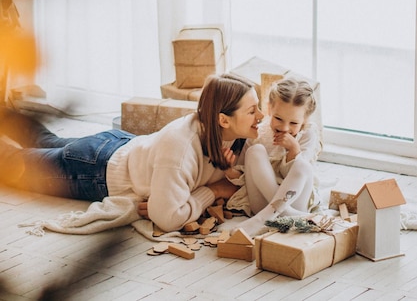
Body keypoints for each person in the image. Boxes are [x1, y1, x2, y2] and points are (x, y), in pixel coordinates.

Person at [0, 73, 264, 233]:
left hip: (119, 144)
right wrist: (213, 191)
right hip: (95, 170)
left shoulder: (238, 137)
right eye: (252, 111)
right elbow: (168, 218)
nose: (261, 116)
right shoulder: (181, 147)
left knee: (47, 140)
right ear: (223, 120)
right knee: (12, 164)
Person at [236, 77, 321, 237]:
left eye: (294, 123)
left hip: (295, 201)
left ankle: (266, 217)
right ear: (269, 109)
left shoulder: (308, 133)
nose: (284, 128)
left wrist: (293, 150)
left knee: (302, 165)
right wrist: (228, 168)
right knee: (255, 151)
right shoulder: (259, 132)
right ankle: (282, 215)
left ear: (305, 120)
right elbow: (243, 172)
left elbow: (300, 175)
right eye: (278, 119)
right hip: (263, 202)